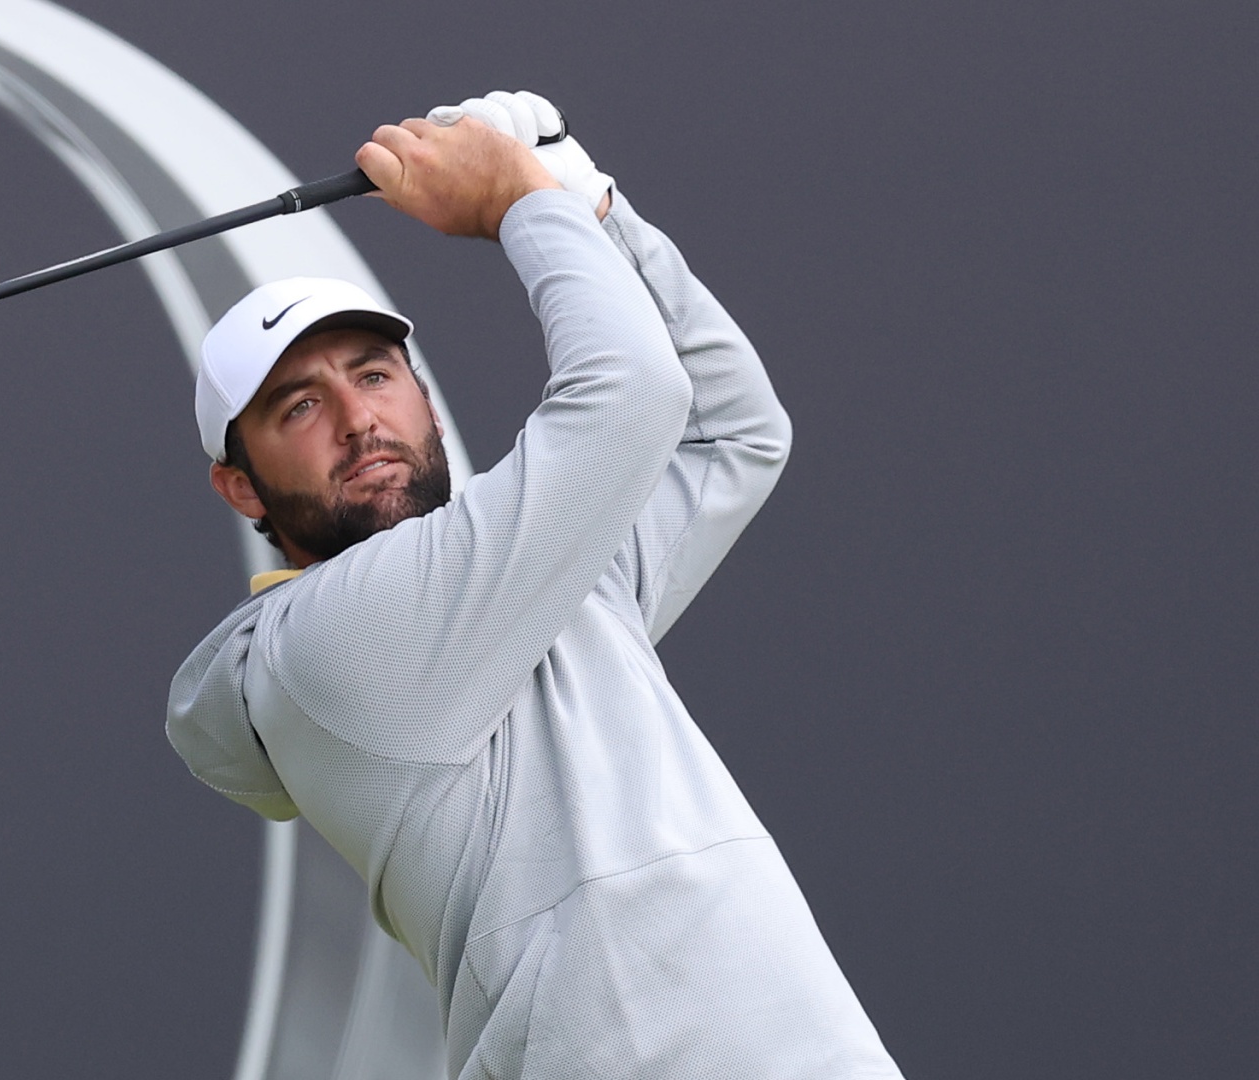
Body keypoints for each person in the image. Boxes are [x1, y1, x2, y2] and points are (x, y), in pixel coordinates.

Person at [168, 91, 902, 1079]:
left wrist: (591, 203)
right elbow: (634, 396)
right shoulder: (326, 643)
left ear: (421, 395)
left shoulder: (536, 582)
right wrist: (520, 200)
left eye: (375, 374)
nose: (356, 419)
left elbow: (731, 436)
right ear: (237, 482)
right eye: (300, 405)